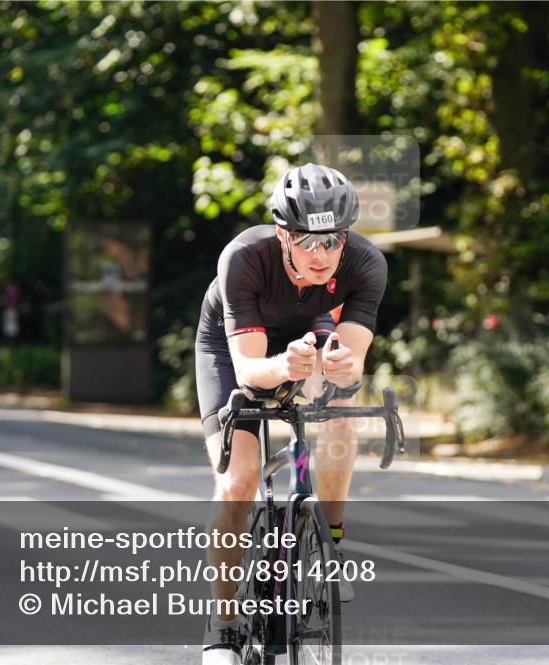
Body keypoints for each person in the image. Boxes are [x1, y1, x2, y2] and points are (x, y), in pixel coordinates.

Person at [194, 163, 387, 664]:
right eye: (306, 241)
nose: (321, 255)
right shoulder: (244, 257)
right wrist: (282, 366)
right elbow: (248, 371)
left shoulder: (366, 262)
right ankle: (223, 625)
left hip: (310, 327)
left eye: (333, 240)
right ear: (283, 235)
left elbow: (353, 361)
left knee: (342, 412)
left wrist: (341, 366)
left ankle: (330, 543)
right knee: (237, 481)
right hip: (235, 346)